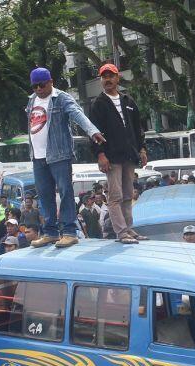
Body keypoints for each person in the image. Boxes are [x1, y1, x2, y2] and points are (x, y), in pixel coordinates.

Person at [26, 67, 105, 248]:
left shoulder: (61, 98)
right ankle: (51, 233)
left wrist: (92, 131)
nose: (38, 89)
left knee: (65, 192)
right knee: (44, 195)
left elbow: (78, 114)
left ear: (51, 82)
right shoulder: (31, 100)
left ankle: (69, 231)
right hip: (38, 156)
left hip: (59, 154)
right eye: (34, 86)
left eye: (42, 85)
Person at [89, 63, 148, 245]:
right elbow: (93, 132)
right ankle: (121, 232)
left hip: (129, 155)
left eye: (111, 76)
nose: (107, 79)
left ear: (117, 78)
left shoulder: (128, 101)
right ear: (101, 80)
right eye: (104, 76)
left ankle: (129, 229)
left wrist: (142, 149)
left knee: (128, 194)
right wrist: (100, 155)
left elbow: (139, 128)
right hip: (111, 157)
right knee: (115, 196)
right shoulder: (98, 103)